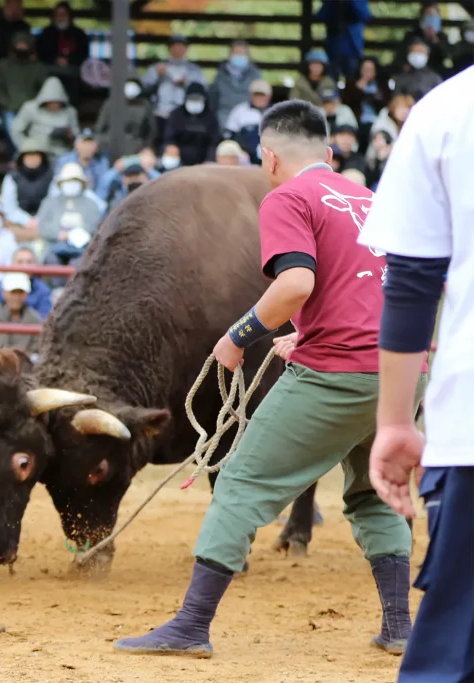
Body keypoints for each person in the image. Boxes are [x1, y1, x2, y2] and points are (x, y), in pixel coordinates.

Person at [112, 100, 423, 659]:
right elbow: (381, 286)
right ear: (329, 154)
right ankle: (400, 626)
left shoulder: (287, 197)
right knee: (374, 492)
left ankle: (191, 625)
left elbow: (296, 284)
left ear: (269, 158)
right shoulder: (369, 198)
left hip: (337, 374)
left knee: (239, 484)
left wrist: (237, 336)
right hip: (400, 371)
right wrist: (308, 332)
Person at [357, 66, 473, 683]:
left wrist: (396, 421)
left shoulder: (448, 108)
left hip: (470, 423)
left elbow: (411, 280)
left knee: (453, 652)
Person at [140, 35, 206, 152]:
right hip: (161, 114)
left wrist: (186, 83)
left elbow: (202, 92)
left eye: (181, 46)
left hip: (185, 116)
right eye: (175, 46)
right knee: (159, 144)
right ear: (169, 48)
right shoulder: (157, 68)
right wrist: (158, 76)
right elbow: (143, 90)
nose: (178, 49)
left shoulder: (194, 70)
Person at [37, 162, 100, 267]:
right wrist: (59, 234)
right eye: (68, 181)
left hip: (82, 248)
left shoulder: (92, 204)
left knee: (79, 263)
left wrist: (76, 235)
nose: (71, 184)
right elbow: (42, 226)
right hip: (52, 246)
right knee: (52, 261)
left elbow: (93, 226)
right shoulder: (49, 203)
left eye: (74, 181)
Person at [0, 32, 49, 149]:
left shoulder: (38, 67)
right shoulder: (3, 65)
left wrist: (36, 105)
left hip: (33, 108)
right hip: (10, 108)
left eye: (24, 44)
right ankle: (16, 157)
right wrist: (5, 103)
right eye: (19, 44)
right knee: (12, 131)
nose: (22, 47)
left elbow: (45, 89)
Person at [0, 0, 32, 115]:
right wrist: (9, 48)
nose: (15, 9)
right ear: (5, 7)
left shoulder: (24, 27)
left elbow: (27, 48)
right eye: (12, 6)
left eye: (18, 6)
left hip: (19, 64)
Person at [9, 76, 78, 159]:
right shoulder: (30, 108)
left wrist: (69, 135)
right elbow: (15, 130)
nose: (54, 105)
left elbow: (77, 134)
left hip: (62, 152)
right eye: (51, 102)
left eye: (57, 102)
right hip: (37, 151)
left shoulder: (70, 112)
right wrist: (26, 147)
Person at [35, 1, 90, 104]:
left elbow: (84, 55)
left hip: (72, 71)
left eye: (64, 14)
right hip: (50, 70)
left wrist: (69, 60)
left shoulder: (79, 34)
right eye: (58, 15)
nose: (61, 17)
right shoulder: (46, 34)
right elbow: (40, 53)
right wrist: (54, 60)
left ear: (69, 16)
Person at [1, 138, 53, 240]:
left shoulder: (52, 176)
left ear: (42, 157)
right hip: (17, 223)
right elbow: (8, 207)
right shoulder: (12, 177)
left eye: (36, 155)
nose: (32, 159)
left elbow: (53, 202)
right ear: (22, 158)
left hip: (46, 222)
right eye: (29, 155)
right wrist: (26, 221)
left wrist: (38, 220)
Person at [94, 73, 156, 157]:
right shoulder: (110, 103)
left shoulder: (145, 105)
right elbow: (100, 128)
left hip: (136, 149)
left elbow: (151, 131)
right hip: (111, 147)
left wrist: (145, 147)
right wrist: (105, 142)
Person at [162, 81, 221, 167]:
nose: (195, 102)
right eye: (192, 99)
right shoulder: (176, 114)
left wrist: (210, 159)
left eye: (198, 99)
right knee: (169, 157)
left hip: (203, 159)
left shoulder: (210, 117)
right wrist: (171, 147)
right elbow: (168, 137)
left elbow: (215, 141)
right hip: (179, 159)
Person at [0, 272, 42, 356]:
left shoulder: (35, 319)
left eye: (20, 292)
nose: (16, 297)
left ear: (26, 294)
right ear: (4, 293)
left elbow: (36, 350)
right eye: (13, 292)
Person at [0, 247, 53, 318]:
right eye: (20, 262)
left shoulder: (43, 290)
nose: (25, 266)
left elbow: (44, 320)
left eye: (29, 262)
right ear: (12, 264)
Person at [209, 40, 263, 130]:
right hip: (224, 119)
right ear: (230, 55)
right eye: (236, 53)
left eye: (242, 53)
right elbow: (213, 99)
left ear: (248, 56)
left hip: (248, 118)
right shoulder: (220, 75)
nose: (239, 56)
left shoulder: (255, 75)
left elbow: (260, 100)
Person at [340, 57, 390, 151]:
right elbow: (346, 103)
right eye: (365, 69)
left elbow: (386, 104)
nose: (368, 72)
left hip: (377, 122)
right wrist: (358, 89)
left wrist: (374, 97)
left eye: (371, 69)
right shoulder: (352, 83)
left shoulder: (382, 85)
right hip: (357, 121)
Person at [314, 0, 372, 78]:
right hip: (333, 48)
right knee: (331, 80)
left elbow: (366, 15)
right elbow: (320, 16)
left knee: (352, 80)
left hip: (352, 49)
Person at [223, 79, 271, 165]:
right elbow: (229, 136)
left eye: (262, 95)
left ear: (269, 96)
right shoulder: (239, 111)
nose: (259, 98)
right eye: (256, 95)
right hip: (244, 160)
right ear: (251, 95)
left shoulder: (279, 112)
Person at [396, 2, 450, 75]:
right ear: (422, 17)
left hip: (436, 74)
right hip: (413, 75)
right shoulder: (411, 35)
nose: (431, 18)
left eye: (434, 15)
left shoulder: (442, 37)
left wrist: (435, 40)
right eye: (428, 15)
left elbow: (446, 55)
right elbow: (401, 56)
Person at [53, 129, 109, 197]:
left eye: (90, 144)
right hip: (67, 200)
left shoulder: (101, 162)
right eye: (84, 143)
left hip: (91, 202)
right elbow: (55, 187)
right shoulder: (65, 160)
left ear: (96, 147)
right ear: (76, 146)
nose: (87, 147)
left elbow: (103, 188)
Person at [393, 38, 443, 102]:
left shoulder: (435, 78)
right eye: (414, 52)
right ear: (409, 55)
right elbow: (397, 100)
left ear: (427, 55)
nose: (417, 55)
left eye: (420, 52)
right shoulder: (400, 79)